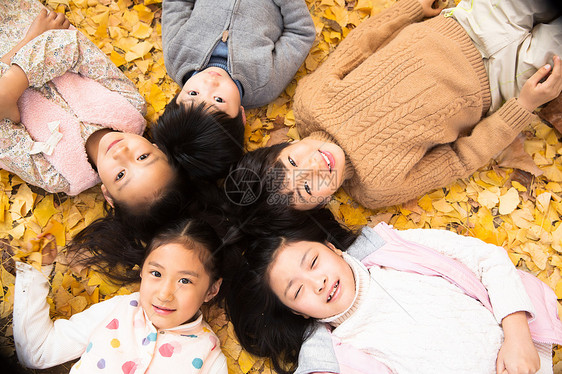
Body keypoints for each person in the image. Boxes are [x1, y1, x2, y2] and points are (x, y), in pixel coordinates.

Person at [225, 0, 562, 212]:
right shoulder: (377, 189)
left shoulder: (311, 102)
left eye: (295, 162)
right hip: (501, 81)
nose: (314, 167)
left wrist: (412, 8)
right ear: (323, 202)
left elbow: (361, 44)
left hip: (462, 24)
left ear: (286, 145)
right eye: (309, 187)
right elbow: (460, 159)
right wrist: (523, 105)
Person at [224, 209, 562, 374]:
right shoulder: (335, 349)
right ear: (297, 312)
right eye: (297, 291)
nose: (318, 283)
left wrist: (517, 334)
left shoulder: (392, 247)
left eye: (313, 262)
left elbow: (486, 257)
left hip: (523, 352)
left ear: (333, 249)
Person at [13, 219, 228, 373]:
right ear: (142, 271)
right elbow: (38, 351)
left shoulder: (208, 356)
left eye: (185, 281)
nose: (164, 294)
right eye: (156, 273)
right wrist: (35, 271)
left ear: (211, 290)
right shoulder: (118, 312)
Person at [161, 0, 316, 117]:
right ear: (241, 116)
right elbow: (301, 33)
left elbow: (176, 4)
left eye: (193, 94)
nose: (210, 83)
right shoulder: (265, 83)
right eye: (219, 100)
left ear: (176, 98)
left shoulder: (175, 55)